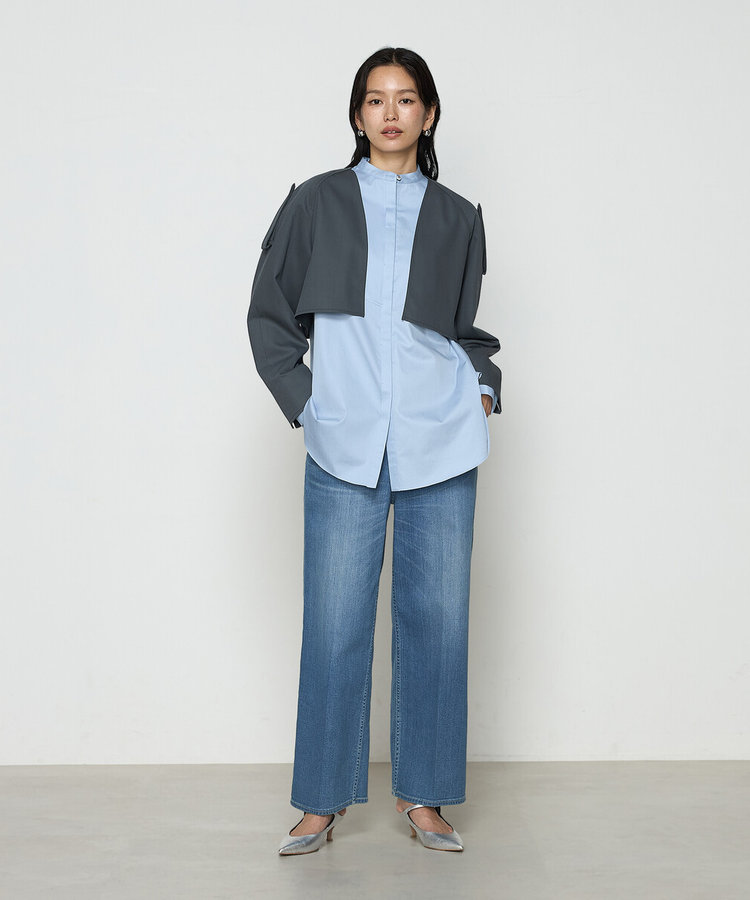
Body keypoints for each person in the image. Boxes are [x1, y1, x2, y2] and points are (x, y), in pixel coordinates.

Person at [247, 46, 502, 855]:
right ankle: (320, 801)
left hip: (440, 438)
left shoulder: (457, 216)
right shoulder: (315, 203)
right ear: (358, 115)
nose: (391, 112)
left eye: (406, 98)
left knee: (438, 624)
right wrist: (306, 403)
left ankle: (424, 797)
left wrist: (483, 385)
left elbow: (465, 329)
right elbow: (269, 314)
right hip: (345, 442)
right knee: (334, 623)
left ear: (428, 114)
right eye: (375, 99)